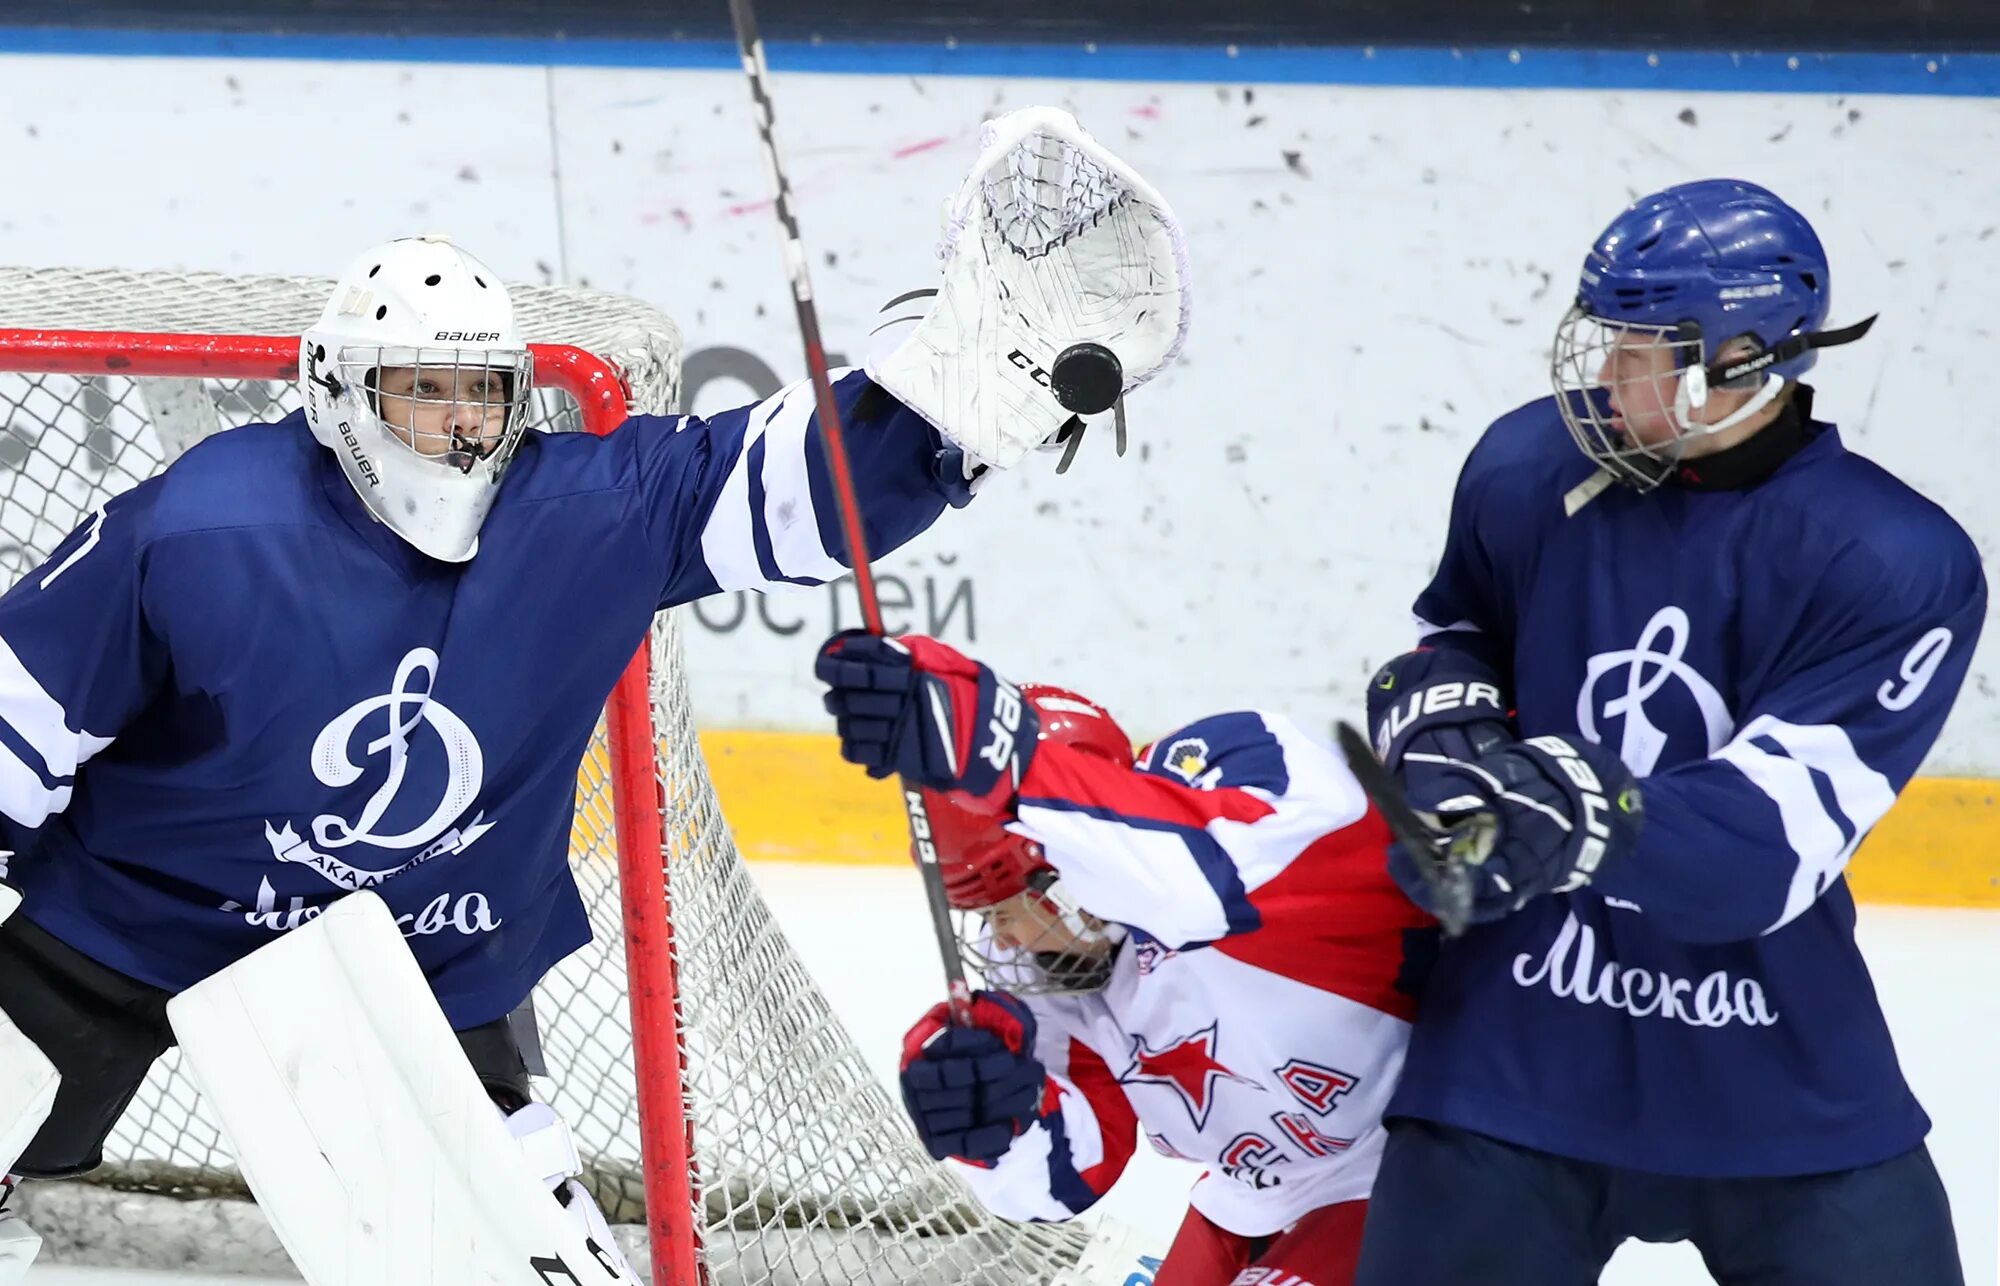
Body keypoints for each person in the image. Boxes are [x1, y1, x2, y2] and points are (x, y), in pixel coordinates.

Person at [0, 208, 1130, 1275]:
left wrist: (954, 398)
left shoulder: (588, 515)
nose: (458, 425)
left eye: (482, 393)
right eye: (420, 391)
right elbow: (22, 711)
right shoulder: (203, 527)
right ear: (340, 394)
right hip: (137, 914)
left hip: (421, 958)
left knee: (495, 1249)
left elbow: (788, 482)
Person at [1353, 179, 1986, 1284]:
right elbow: (1450, 640)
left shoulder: (1891, 561)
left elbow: (1766, 846)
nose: (1603, 374)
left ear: (1742, 363)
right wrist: (1443, 735)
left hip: (1770, 1059)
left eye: (1641, 348)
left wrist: (1576, 808)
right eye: (1606, 338)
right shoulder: (1525, 468)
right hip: (1515, 1046)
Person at [809, 631, 1639, 1285]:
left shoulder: (1250, 776)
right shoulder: (1058, 976)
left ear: (1072, 856)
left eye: (1022, 904)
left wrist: (1004, 765)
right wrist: (990, 1122)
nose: (1012, 941)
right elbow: (1067, 1177)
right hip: (1252, 1204)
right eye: (988, 916)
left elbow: (1193, 879)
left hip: (1442, 1162)